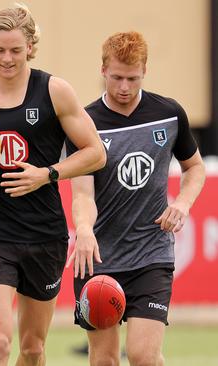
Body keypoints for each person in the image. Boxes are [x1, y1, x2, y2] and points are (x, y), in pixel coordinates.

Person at [0, 5, 106, 365]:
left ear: (30, 46)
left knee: (33, 348)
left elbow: (96, 153)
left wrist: (48, 173)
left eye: (14, 49)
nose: (6, 59)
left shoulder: (54, 91)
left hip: (44, 233)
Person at [66, 31, 206, 366]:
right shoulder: (84, 124)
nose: (124, 87)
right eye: (116, 78)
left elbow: (195, 168)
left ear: (145, 71)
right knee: (104, 359)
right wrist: (83, 228)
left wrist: (182, 204)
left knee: (143, 356)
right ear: (103, 71)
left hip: (151, 254)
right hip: (98, 257)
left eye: (133, 78)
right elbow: (83, 192)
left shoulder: (170, 114)